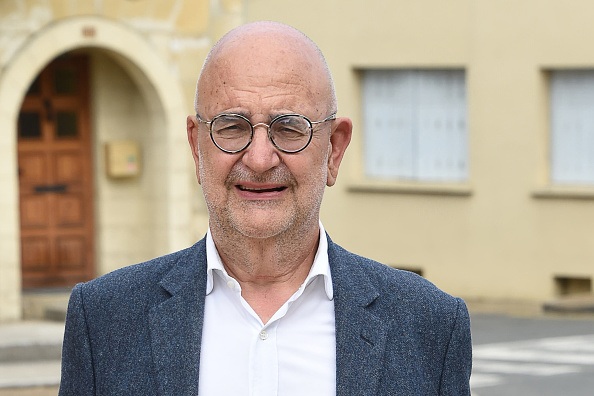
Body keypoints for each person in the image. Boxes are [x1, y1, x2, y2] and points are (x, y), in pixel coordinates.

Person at [59, 21, 472, 395]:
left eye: (290, 128)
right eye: (232, 126)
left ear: (335, 149)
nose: (259, 159)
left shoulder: (430, 326)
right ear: (196, 147)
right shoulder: (104, 321)